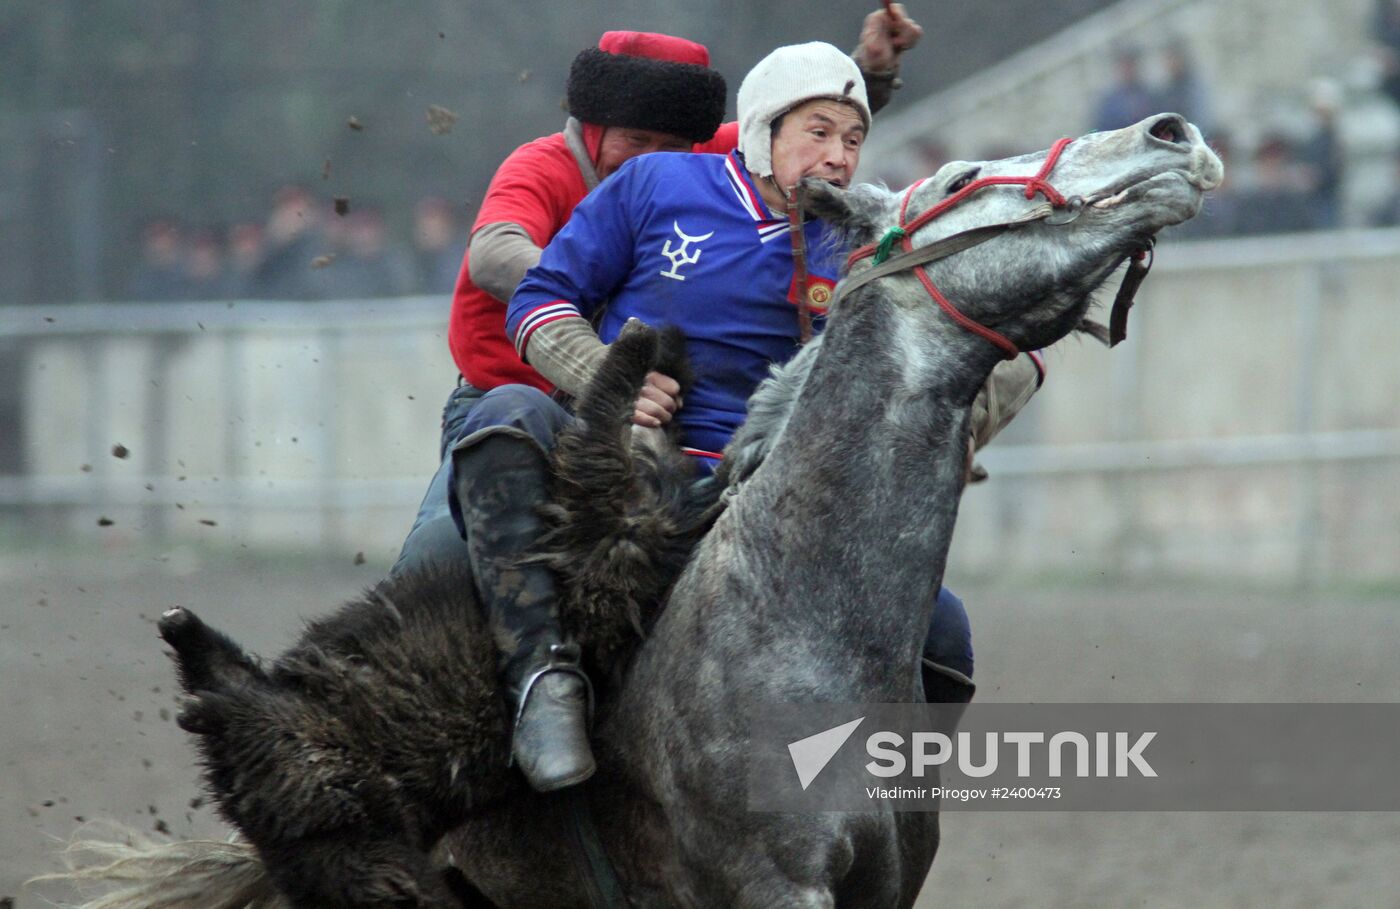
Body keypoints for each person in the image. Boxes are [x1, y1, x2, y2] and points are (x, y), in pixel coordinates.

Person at [464, 41, 1045, 793]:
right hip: (631, 477)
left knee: (944, 632)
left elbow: (996, 353)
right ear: (765, 131)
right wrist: (608, 380)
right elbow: (540, 301)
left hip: (782, 502)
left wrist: (969, 413)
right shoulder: (654, 184)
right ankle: (541, 688)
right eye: (819, 133)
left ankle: (888, 806)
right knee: (495, 438)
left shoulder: (875, 237)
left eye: (853, 139)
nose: (840, 157)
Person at [396, 10, 923, 575]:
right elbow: (494, 253)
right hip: (517, 401)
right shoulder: (542, 165)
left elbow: (801, 124)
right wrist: (603, 279)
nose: (651, 156)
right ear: (592, 129)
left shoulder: (684, 166)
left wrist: (867, 69)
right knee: (438, 557)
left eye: (670, 144)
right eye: (635, 140)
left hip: (653, 430)